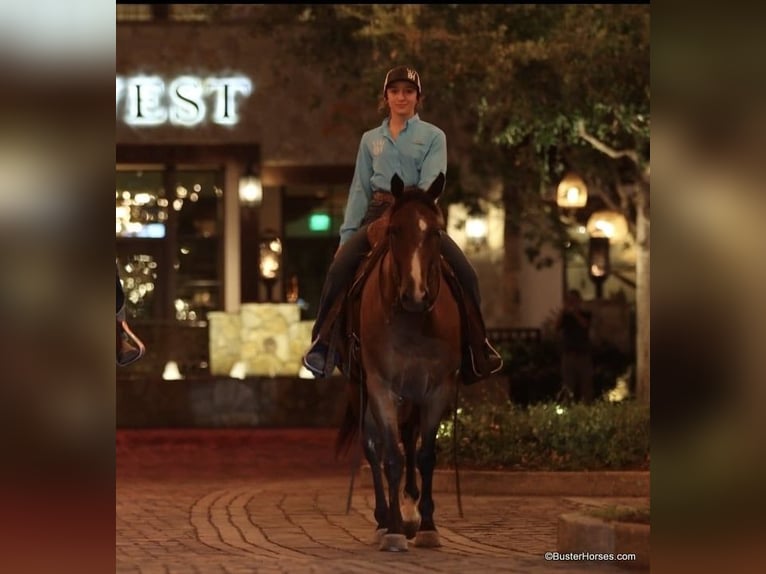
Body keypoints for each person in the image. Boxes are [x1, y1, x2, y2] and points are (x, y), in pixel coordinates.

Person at [302, 65, 502, 382]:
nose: (401, 97)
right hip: (377, 212)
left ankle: (477, 348)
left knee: (466, 272)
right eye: (395, 91)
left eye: (408, 91)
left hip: (417, 214)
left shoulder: (434, 136)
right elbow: (360, 188)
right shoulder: (370, 140)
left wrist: (413, 210)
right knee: (339, 270)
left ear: (418, 98)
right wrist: (346, 235)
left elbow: (434, 179)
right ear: (386, 97)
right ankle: (323, 346)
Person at [555, 289, 594, 403]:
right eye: (569, 300)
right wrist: (563, 311)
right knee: (568, 387)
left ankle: (587, 410)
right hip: (568, 355)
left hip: (583, 355)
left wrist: (575, 313)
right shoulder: (565, 316)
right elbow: (556, 328)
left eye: (574, 300)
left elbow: (585, 325)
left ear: (579, 301)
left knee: (586, 386)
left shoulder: (586, 314)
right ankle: (568, 410)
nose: (571, 302)